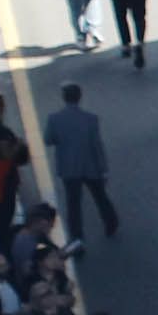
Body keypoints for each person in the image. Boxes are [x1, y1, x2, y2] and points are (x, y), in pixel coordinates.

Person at [45, 82, 119, 248]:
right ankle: (111, 222)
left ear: (64, 98)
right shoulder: (90, 119)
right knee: (100, 196)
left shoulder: (54, 119)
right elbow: (97, 146)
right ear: (79, 98)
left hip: (69, 168)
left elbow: (48, 140)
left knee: (73, 204)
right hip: (90, 166)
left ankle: (77, 237)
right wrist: (103, 168)